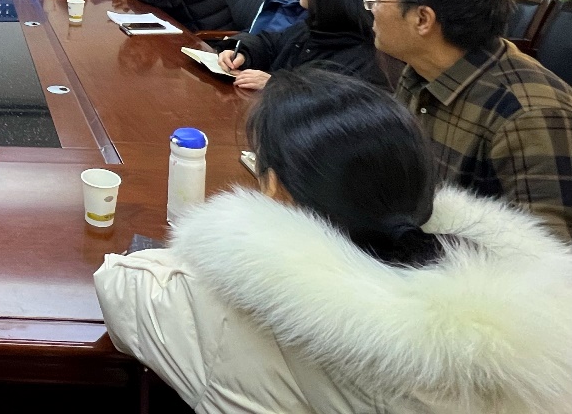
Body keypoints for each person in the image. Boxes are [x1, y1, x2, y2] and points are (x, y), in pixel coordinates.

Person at [94, 68, 572, 414]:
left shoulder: (216, 304)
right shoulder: (538, 320)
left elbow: (119, 284)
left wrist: (214, 243)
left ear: (274, 187)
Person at [374, 0, 572, 241]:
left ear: (422, 19)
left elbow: (549, 251)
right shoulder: (420, 71)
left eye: (378, 0)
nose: (372, 9)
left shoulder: (529, 115)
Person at [217, 0, 387, 90]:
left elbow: (329, 102)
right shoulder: (313, 27)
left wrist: (276, 85)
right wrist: (244, 52)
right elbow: (269, 43)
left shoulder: (365, 58)